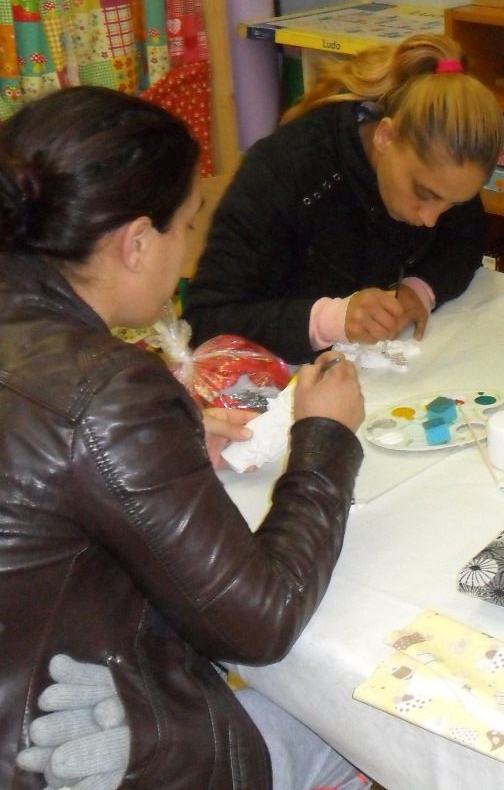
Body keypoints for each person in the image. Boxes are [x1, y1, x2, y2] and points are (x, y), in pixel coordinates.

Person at [0, 86, 368, 789]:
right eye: (188, 225)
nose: (190, 249)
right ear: (137, 242)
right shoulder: (106, 391)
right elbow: (261, 622)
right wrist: (323, 441)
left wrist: (146, 448)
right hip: (57, 747)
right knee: (349, 720)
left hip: (30, 683)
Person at [184, 33, 504, 364]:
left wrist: (419, 289)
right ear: (385, 136)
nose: (430, 219)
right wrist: (332, 319)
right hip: (282, 373)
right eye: (423, 194)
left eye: (453, 204)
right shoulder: (284, 169)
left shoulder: (440, 172)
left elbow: (466, 239)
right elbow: (205, 320)